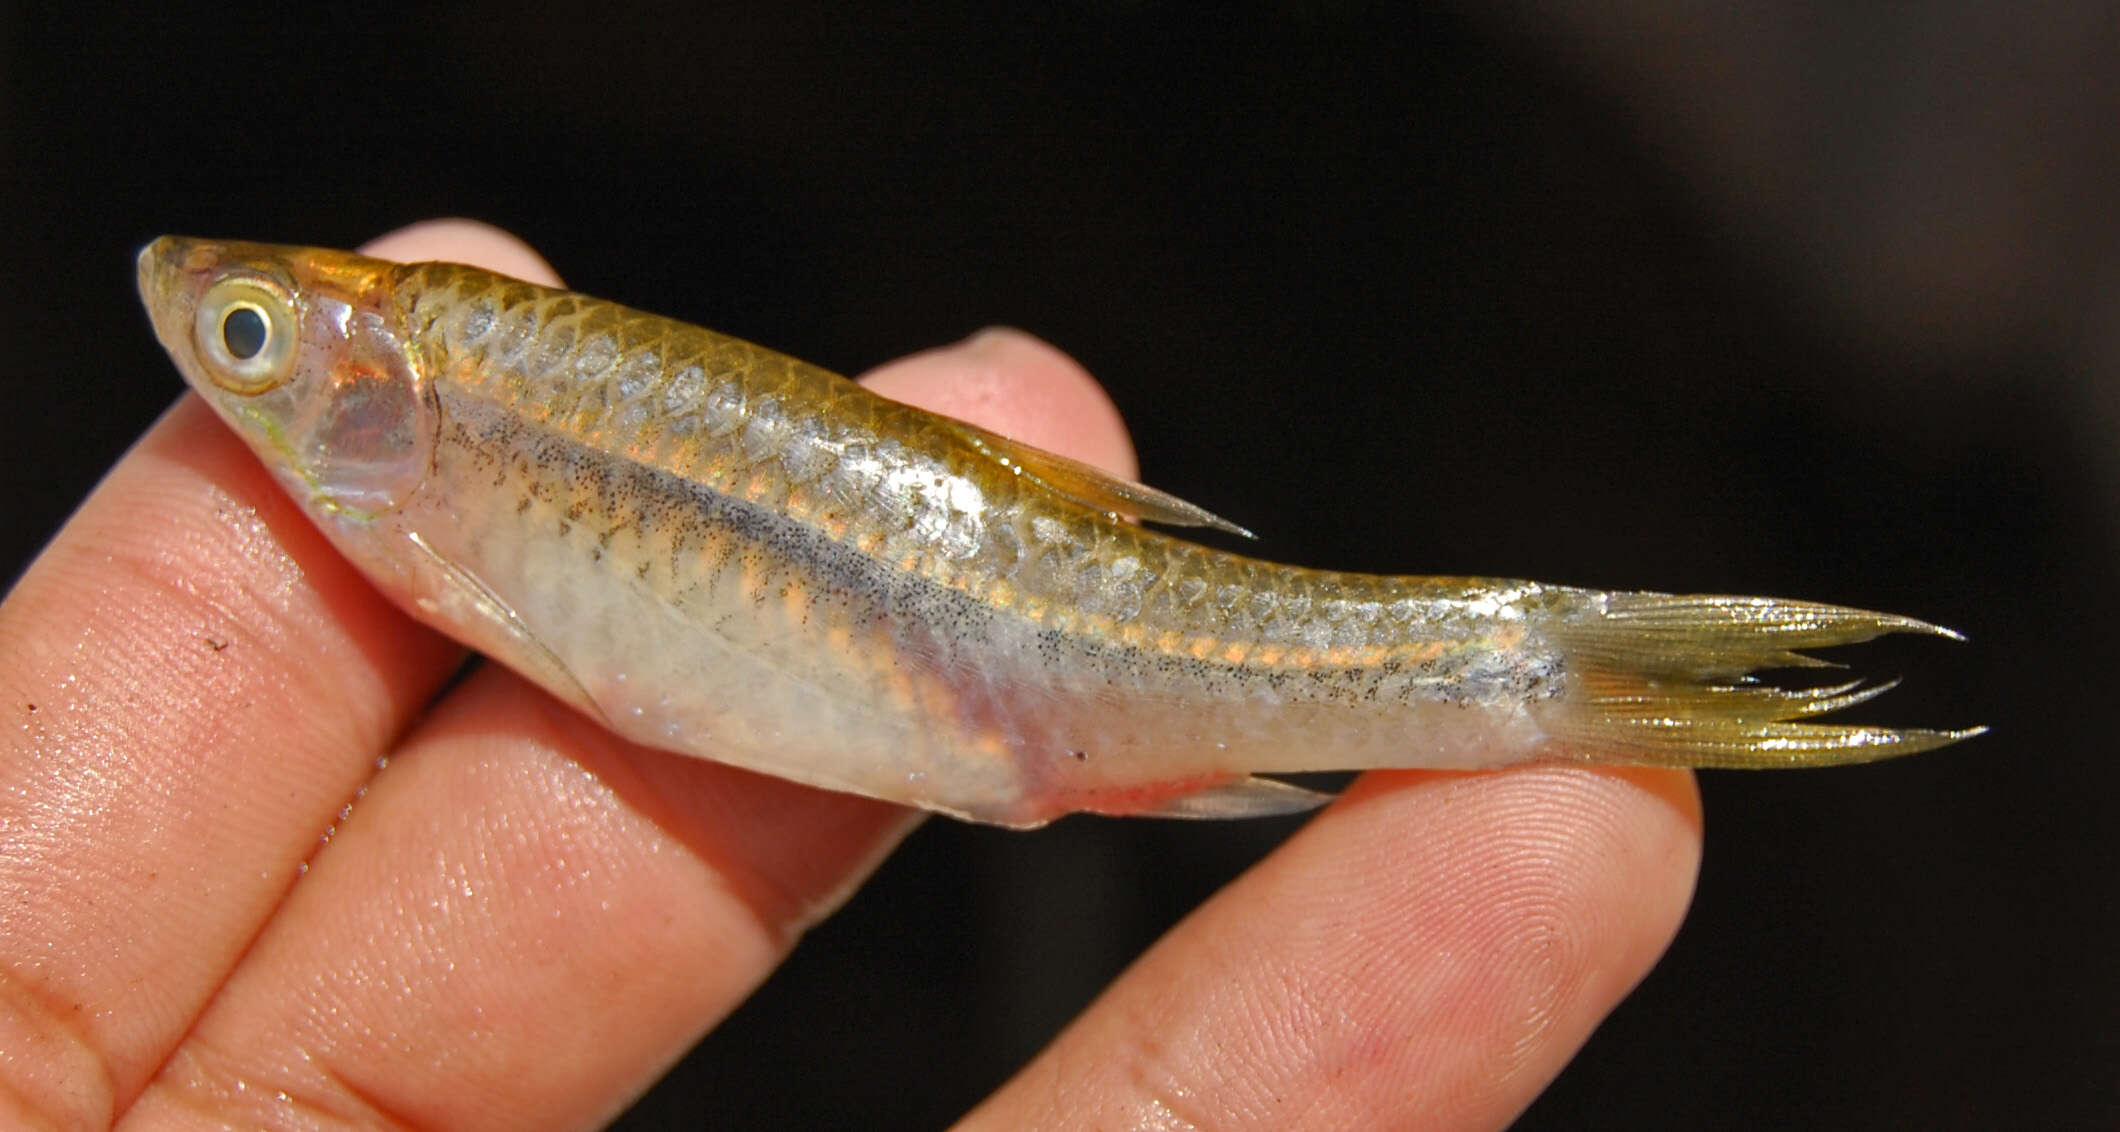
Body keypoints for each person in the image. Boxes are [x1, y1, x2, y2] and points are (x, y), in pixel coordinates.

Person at [0, 220, 1701, 1130]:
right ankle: (1532, 671)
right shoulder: (428, 454)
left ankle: (1531, 671)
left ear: (391, 394)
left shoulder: (445, 420)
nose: (230, 362)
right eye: (253, 340)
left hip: (1005, 643)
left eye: (256, 348)